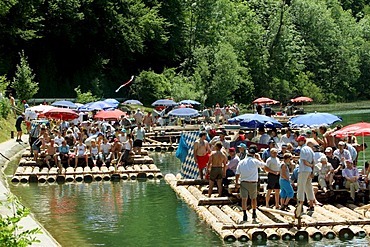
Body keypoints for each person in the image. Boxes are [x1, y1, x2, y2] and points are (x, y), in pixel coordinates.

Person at [235, 147, 267, 222]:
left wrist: (236, 182)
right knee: (253, 199)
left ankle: (245, 214)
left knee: (244, 199)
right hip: (253, 183)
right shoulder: (255, 161)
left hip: (244, 182)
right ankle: (254, 212)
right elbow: (264, 165)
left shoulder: (241, 162)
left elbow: (237, 174)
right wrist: (259, 158)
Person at [295, 136, 315, 217]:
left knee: (301, 187)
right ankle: (311, 204)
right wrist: (312, 169)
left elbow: (304, 161)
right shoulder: (310, 149)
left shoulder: (303, 149)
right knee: (309, 187)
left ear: (302, 141)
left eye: (299, 141)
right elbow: (313, 161)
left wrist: (309, 165)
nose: (298, 143)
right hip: (309, 171)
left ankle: (300, 205)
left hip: (303, 170)